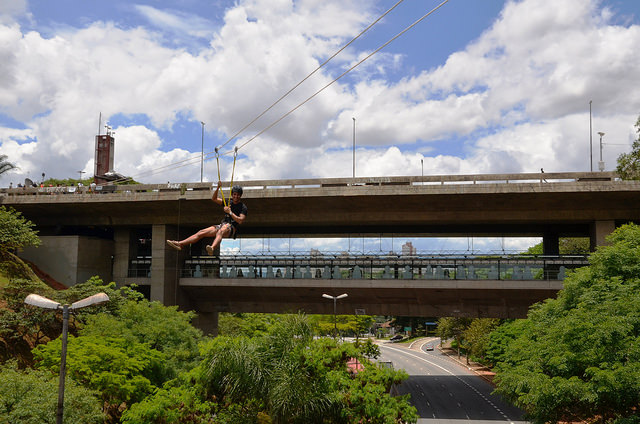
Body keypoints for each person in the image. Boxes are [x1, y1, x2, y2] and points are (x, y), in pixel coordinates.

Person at [166, 182, 247, 256]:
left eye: (238, 195)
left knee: (221, 231)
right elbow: (214, 199)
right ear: (232, 194)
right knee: (201, 232)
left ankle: (212, 247)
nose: (236, 196)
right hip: (223, 225)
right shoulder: (228, 202)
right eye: (234, 194)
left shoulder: (243, 207)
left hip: (231, 228)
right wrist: (218, 187)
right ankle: (180, 244)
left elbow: (240, 221)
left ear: (241, 195)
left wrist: (230, 212)